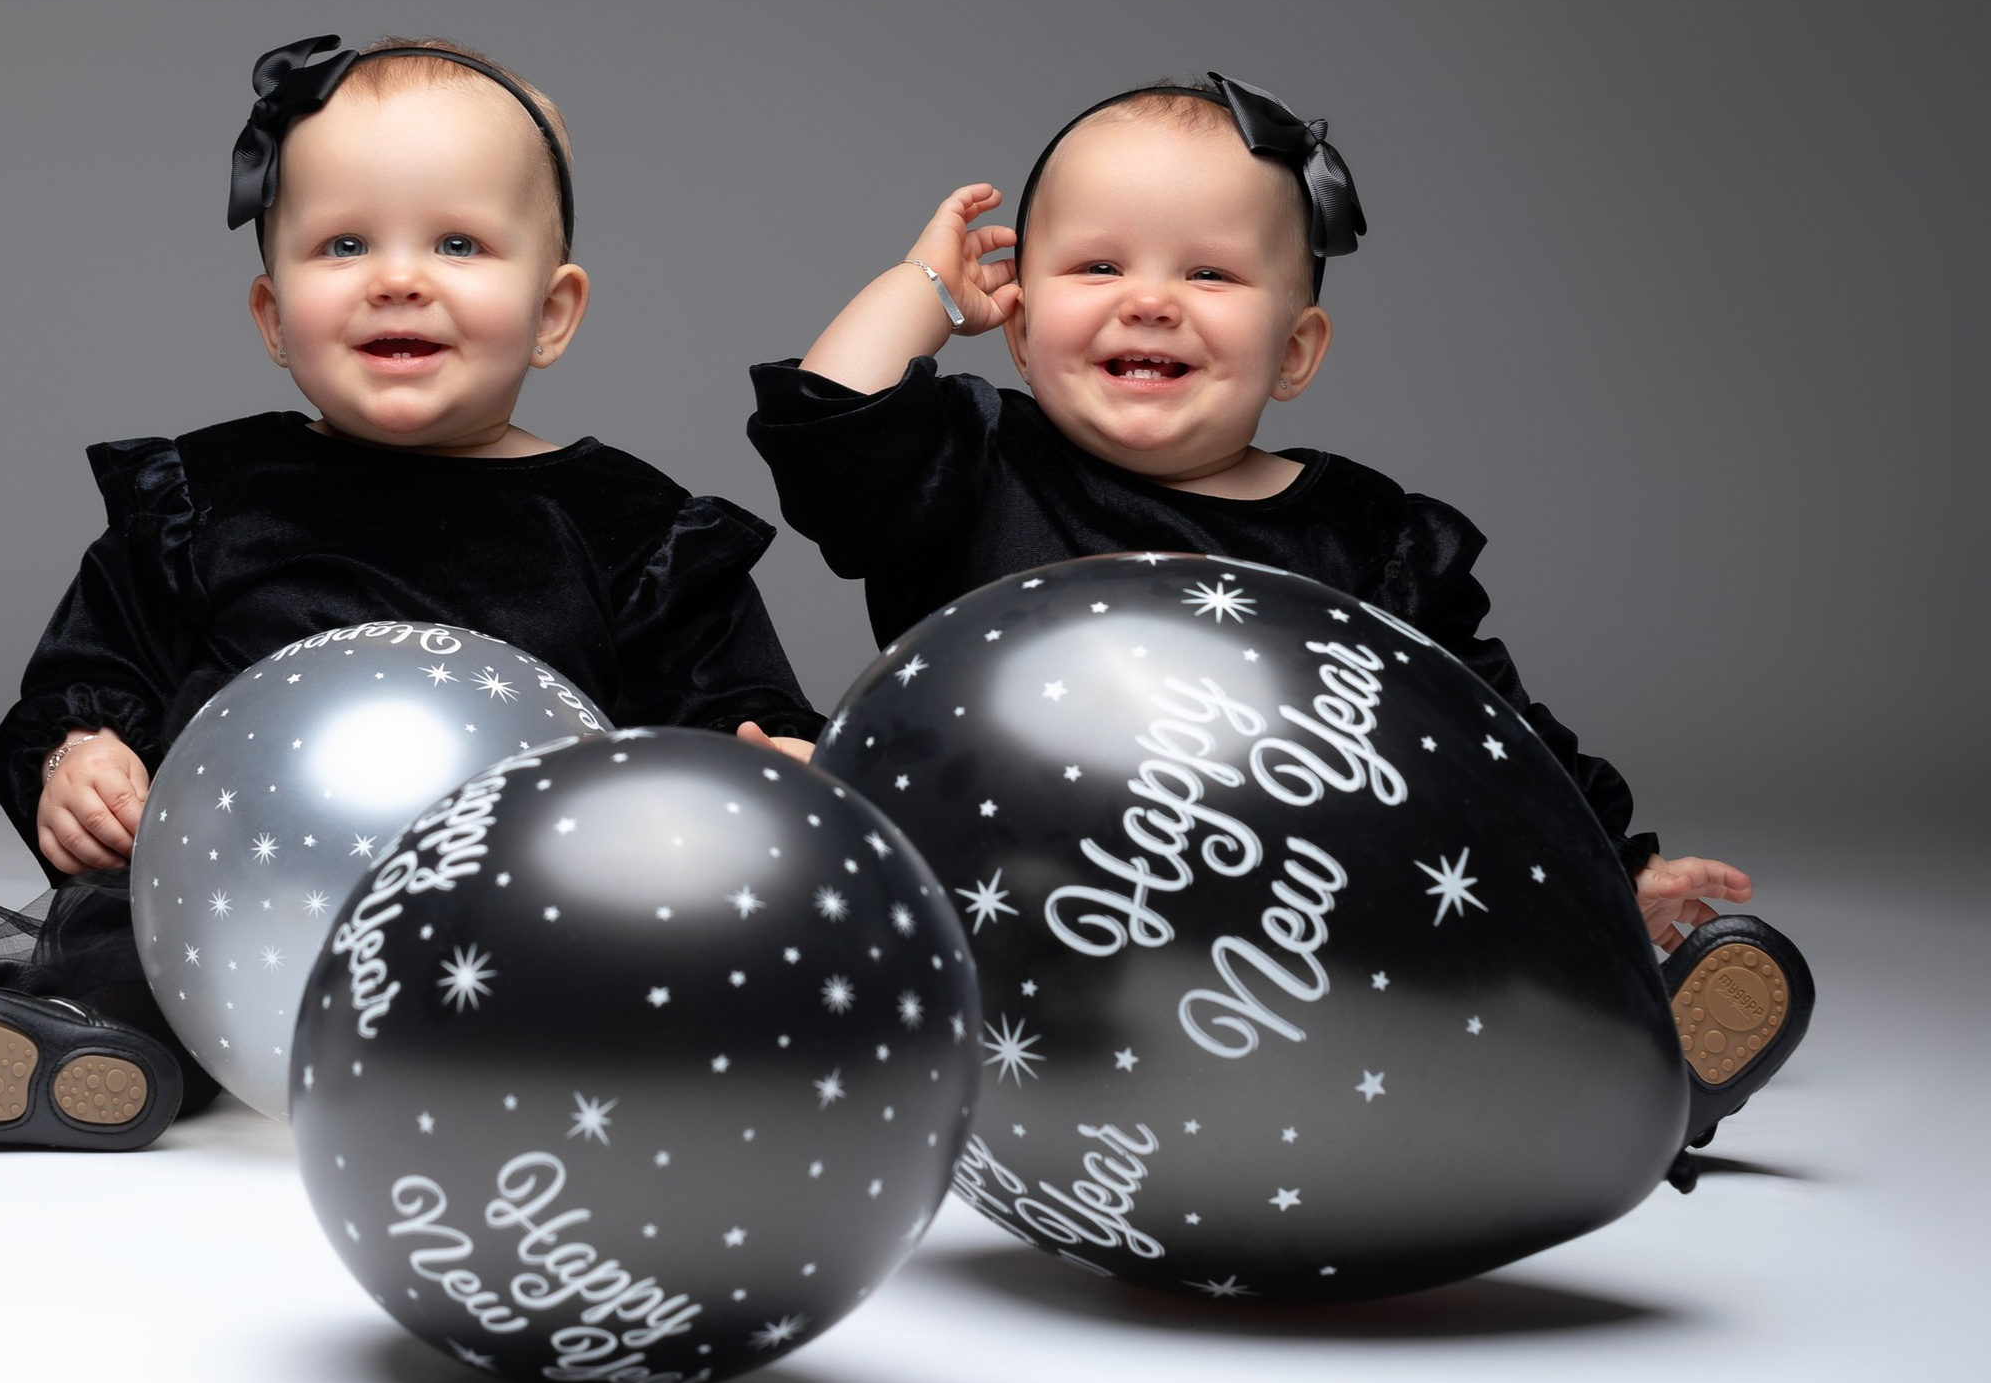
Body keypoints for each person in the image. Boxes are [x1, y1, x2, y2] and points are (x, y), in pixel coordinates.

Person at [746, 72, 1813, 1162]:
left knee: (1452, 958)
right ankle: (828, 1065)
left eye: (1208, 272)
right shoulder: (972, 467)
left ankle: (1631, 1074)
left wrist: (1616, 866)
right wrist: (924, 287)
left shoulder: (1365, 536)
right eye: (1096, 265)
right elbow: (828, 425)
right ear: (1015, 326)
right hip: (1001, 898)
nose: (1148, 299)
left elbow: (1493, 731)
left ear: (1294, 351)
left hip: (1294, 938)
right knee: (836, 878)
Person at [0, 32, 821, 1150]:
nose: (397, 277)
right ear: (273, 318)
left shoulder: (632, 529)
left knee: (662, 960)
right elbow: (90, 673)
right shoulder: (208, 499)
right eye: (343, 243)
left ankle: (573, 1075)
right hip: (235, 912)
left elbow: (726, 703)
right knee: (124, 925)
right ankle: (91, 1053)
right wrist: (80, 757)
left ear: (553, 312)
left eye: (459, 243)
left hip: (533, 920)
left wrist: (770, 760)